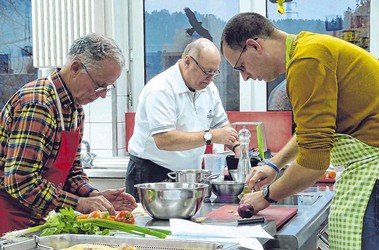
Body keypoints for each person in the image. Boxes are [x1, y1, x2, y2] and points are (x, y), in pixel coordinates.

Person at [221, 12, 379, 249]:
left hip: (372, 176)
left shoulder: (306, 62)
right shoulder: (308, 48)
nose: (245, 77)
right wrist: (274, 164)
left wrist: (265, 197)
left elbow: (313, 162)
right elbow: (312, 131)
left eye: (241, 67)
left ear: (254, 45)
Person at [0, 33, 137, 235]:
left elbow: (71, 170)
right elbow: (21, 182)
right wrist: (79, 203)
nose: (103, 95)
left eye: (108, 87)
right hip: (9, 220)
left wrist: (95, 196)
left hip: (36, 218)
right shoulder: (39, 104)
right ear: (75, 68)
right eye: (100, 85)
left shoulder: (74, 110)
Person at [126, 38, 240, 200]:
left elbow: (223, 126)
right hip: (151, 173)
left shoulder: (209, 89)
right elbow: (164, 140)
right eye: (207, 71)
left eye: (215, 72)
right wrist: (210, 136)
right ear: (187, 62)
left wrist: (237, 149)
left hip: (188, 176)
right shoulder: (161, 89)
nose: (211, 78)